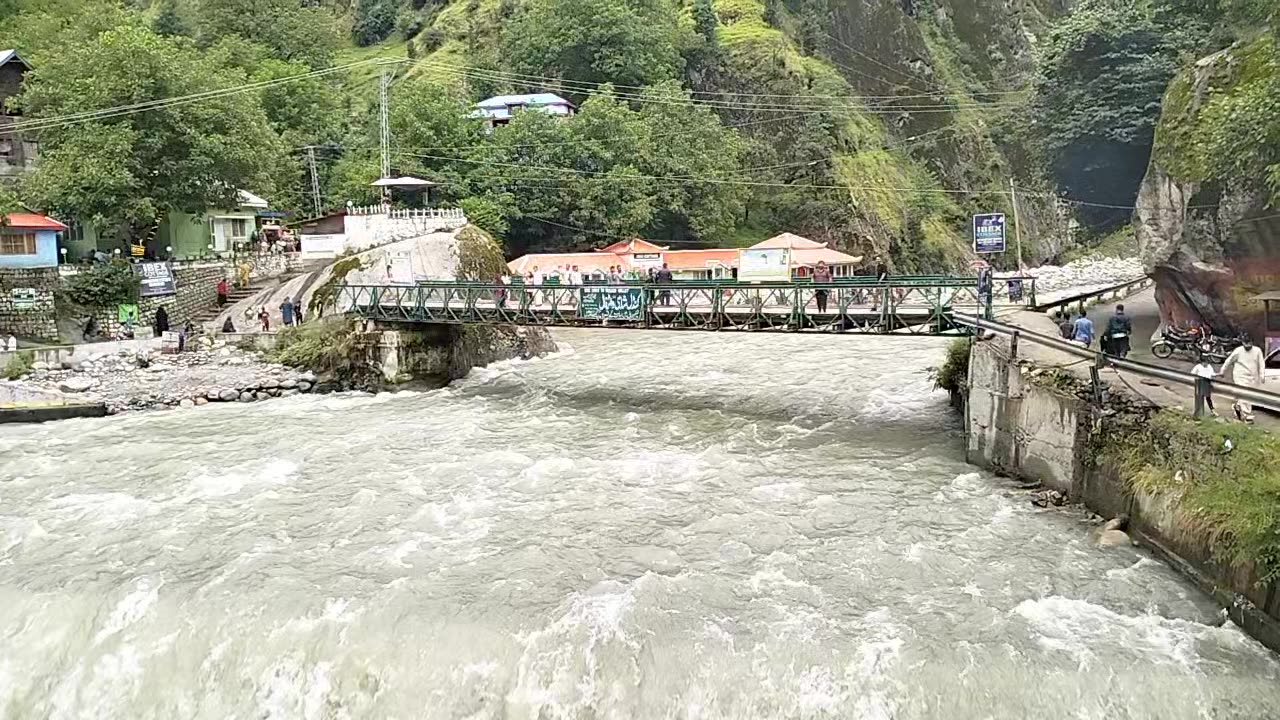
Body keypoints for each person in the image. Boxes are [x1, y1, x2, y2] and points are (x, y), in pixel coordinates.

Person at [1221, 336, 1265, 423]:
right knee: (1245, 394)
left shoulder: (1257, 351)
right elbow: (1229, 361)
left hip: (1252, 376)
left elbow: (1261, 363)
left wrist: (1262, 374)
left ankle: (1237, 407)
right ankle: (1247, 415)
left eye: (1249, 343)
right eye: (1246, 343)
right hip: (1240, 375)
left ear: (1252, 342)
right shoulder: (1238, 351)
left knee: (1249, 396)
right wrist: (1222, 370)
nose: (1248, 346)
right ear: (1243, 343)